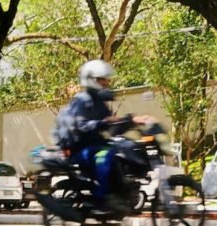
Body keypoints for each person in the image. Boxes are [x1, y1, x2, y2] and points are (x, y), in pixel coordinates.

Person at [53, 59, 151, 211]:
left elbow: (112, 125)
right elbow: (81, 125)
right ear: (92, 80)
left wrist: (132, 121)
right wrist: (102, 123)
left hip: (94, 145)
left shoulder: (99, 102)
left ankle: (120, 192)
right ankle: (101, 197)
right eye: (102, 79)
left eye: (106, 79)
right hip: (79, 148)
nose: (106, 83)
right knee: (106, 155)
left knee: (124, 148)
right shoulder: (82, 101)